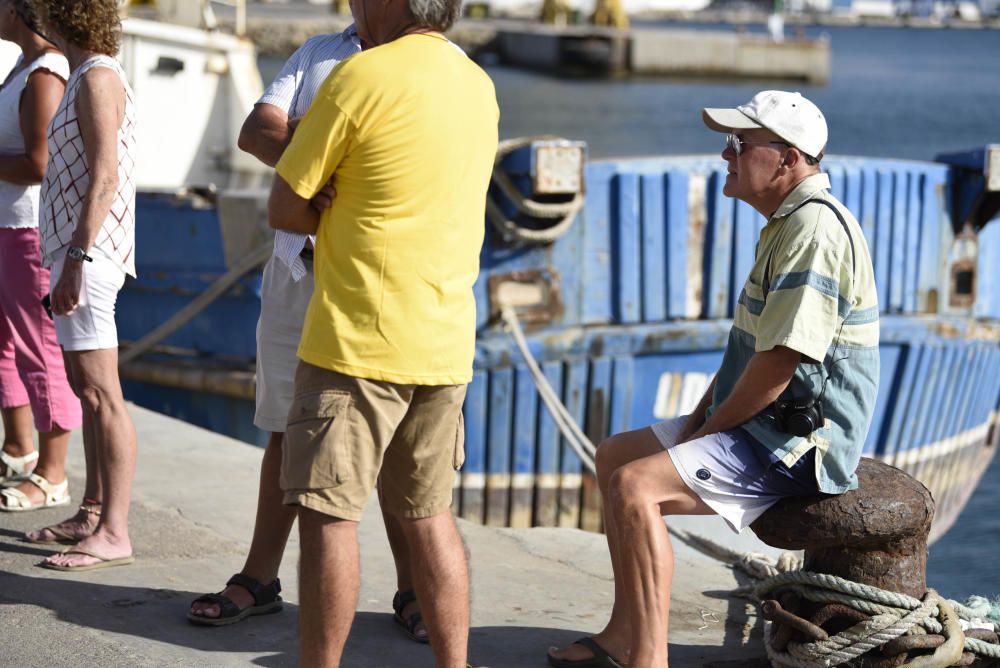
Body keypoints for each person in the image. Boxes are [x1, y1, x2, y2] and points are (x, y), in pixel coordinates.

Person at [548, 91, 879, 668]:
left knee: (634, 488)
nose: (725, 155)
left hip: (798, 444)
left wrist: (705, 434)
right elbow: (748, 354)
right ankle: (625, 633)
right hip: (762, 423)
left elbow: (777, 369)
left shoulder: (813, 232)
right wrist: (702, 417)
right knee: (613, 457)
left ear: (788, 159)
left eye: (739, 144)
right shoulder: (787, 223)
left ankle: (646, 659)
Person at [267, 0, 498, 662]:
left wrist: (331, 190)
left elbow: (286, 204)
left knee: (329, 517)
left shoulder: (358, 77)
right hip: (444, 338)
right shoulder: (476, 84)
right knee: (429, 517)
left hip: (355, 339)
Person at [188, 26, 428, 640]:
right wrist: (331, 158)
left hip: (379, 280)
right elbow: (255, 130)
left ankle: (415, 588)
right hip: (298, 267)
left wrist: (313, 160)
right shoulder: (320, 51)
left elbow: (417, 162)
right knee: (283, 429)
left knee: (394, 442)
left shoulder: (436, 64)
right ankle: (259, 578)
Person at [25, 0, 139, 572]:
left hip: (88, 257)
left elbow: (105, 175)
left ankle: (114, 530)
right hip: (76, 254)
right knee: (85, 388)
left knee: (101, 393)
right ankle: (93, 510)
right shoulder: (86, 73)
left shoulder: (97, 76)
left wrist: (75, 257)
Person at [0, 0, 80, 511]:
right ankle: (20, 448)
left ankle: (53, 474)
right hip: (8, 226)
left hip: (28, 230)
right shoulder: (22, 66)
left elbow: (39, 162)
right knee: (7, 341)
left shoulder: (47, 72)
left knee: (39, 345)